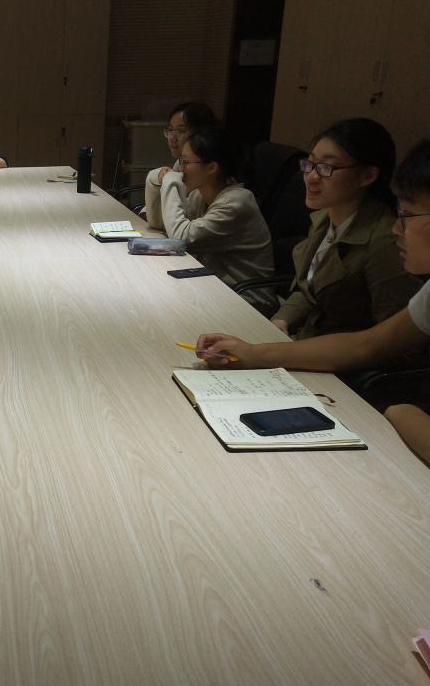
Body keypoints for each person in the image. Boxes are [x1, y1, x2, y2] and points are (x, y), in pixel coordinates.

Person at [195, 139, 430, 463]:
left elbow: (385, 353)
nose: (396, 228)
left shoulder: (379, 243)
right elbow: (367, 343)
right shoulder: (322, 222)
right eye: (309, 164)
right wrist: (253, 352)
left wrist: (400, 412)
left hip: (359, 386)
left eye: (406, 214)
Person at [272, 118, 420, 338]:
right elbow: (310, 288)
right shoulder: (325, 218)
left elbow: (397, 341)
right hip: (306, 343)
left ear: (368, 176)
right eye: (310, 163)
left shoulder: (384, 241)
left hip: (339, 356)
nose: (311, 176)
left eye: (326, 167)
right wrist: (282, 320)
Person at [144, 125, 276, 310]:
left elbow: (180, 237)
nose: (180, 169)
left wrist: (170, 181)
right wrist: (154, 179)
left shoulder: (236, 203)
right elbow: (159, 223)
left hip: (248, 302)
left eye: (185, 162)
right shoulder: (200, 195)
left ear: (212, 167)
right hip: (212, 287)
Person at [141, 102, 218, 216]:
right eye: (170, 130)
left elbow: (183, 218)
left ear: (200, 134)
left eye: (180, 131)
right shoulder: (180, 162)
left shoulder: (204, 173)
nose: (172, 138)